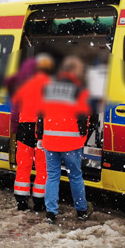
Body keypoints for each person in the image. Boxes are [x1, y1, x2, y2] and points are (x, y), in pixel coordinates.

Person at [37, 56, 91, 224]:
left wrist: (40, 136)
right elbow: (85, 117)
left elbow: (40, 115)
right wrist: (83, 136)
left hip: (50, 142)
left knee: (52, 176)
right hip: (72, 143)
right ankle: (81, 210)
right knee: (75, 176)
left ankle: (51, 213)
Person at [11, 53, 54, 212]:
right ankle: (39, 202)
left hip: (24, 129)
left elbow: (15, 110)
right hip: (42, 130)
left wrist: (15, 129)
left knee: (23, 166)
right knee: (43, 168)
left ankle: (21, 202)